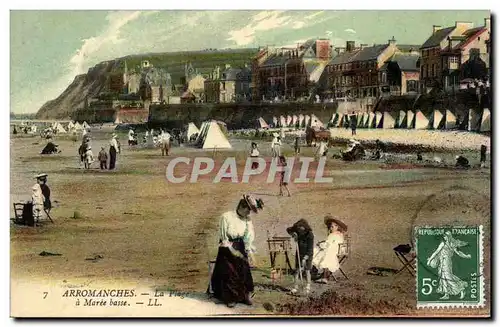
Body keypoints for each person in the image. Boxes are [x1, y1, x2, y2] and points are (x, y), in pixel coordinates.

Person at [209, 194, 264, 308]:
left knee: (244, 270)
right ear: (242, 207)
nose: (249, 214)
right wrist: (232, 250)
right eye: (248, 211)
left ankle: (244, 296)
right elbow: (224, 238)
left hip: (240, 245)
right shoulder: (226, 217)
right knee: (230, 272)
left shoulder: (247, 220)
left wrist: (248, 251)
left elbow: (248, 236)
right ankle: (230, 298)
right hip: (227, 247)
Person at [426, 231, 471, 300]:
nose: (444, 237)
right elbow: (436, 252)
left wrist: (466, 256)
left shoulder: (452, 244)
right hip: (441, 262)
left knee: (448, 277)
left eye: (446, 236)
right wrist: (430, 260)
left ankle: (461, 289)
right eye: (444, 236)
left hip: (447, 262)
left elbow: (458, 253)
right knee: (442, 277)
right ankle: (446, 294)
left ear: (449, 236)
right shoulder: (442, 243)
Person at [312, 215, 348, 284]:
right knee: (316, 251)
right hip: (335, 249)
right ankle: (315, 273)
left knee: (325, 255)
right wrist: (322, 244)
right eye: (330, 227)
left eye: (332, 227)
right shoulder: (336, 234)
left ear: (337, 227)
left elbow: (329, 244)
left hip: (334, 250)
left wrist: (321, 245)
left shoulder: (336, 235)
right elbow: (328, 243)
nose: (331, 228)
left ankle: (324, 277)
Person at [286, 219, 314, 295]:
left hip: (308, 254)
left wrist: (305, 258)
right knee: (297, 270)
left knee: (307, 270)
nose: (300, 230)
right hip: (299, 253)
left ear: (305, 227)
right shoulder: (298, 230)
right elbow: (288, 230)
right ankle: (295, 287)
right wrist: (293, 234)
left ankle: (308, 287)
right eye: (298, 229)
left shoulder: (310, 234)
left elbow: (310, 249)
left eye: (301, 229)